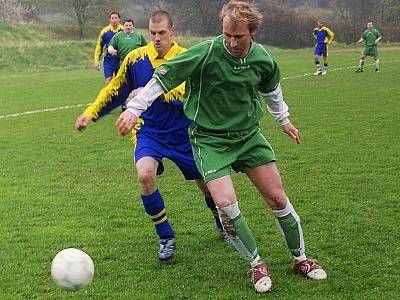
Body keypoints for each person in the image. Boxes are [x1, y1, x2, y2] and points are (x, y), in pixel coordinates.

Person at [117, 1, 327, 293]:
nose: (231, 41)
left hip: (247, 136)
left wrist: (284, 121)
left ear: (252, 33)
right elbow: (162, 79)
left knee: (277, 198)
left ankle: (301, 258)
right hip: (209, 139)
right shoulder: (206, 51)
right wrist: (134, 109)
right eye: (227, 34)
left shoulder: (263, 59)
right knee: (227, 204)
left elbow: (271, 91)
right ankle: (256, 264)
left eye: (238, 36)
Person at [76, 10, 228, 262]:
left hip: (184, 133)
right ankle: (165, 236)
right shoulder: (136, 59)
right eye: (152, 33)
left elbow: (195, 93)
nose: (156, 38)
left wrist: (146, 93)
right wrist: (90, 113)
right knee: (145, 175)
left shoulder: (187, 58)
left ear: (172, 31)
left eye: (162, 33)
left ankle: (221, 222)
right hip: (149, 132)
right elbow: (114, 89)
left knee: (207, 185)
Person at [94, 12, 123, 85]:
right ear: (109, 20)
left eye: (116, 18)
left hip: (121, 59)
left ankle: (118, 96)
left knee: (120, 82)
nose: (114, 20)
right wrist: (97, 60)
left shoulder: (124, 30)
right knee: (108, 81)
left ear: (119, 19)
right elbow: (99, 46)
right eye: (112, 18)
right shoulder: (105, 31)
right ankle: (107, 96)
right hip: (109, 60)